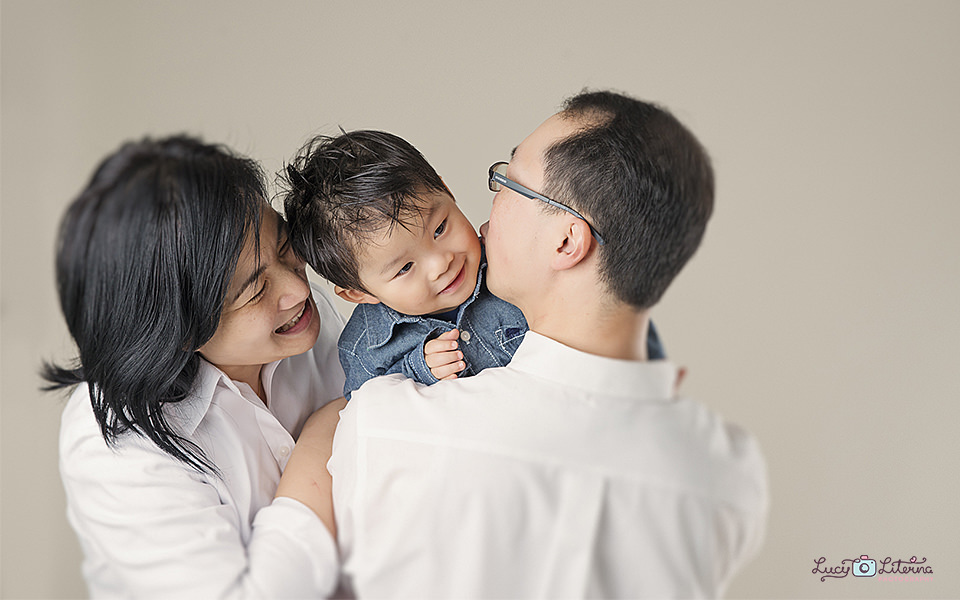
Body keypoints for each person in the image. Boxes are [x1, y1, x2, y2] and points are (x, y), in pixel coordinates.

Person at [318, 91, 769, 598]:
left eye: (508, 183)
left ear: (566, 241)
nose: (491, 201)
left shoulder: (390, 429)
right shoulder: (730, 472)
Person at [43, 136, 345, 598]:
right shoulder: (117, 443)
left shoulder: (303, 318)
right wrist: (323, 438)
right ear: (179, 328)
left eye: (285, 249)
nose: (298, 291)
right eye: (254, 292)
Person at [282, 129, 664, 400]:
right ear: (359, 293)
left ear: (447, 190)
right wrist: (418, 371)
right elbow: (367, 421)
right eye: (404, 269)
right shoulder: (366, 347)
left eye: (440, 228)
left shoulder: (514, 268)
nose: (440, 264)